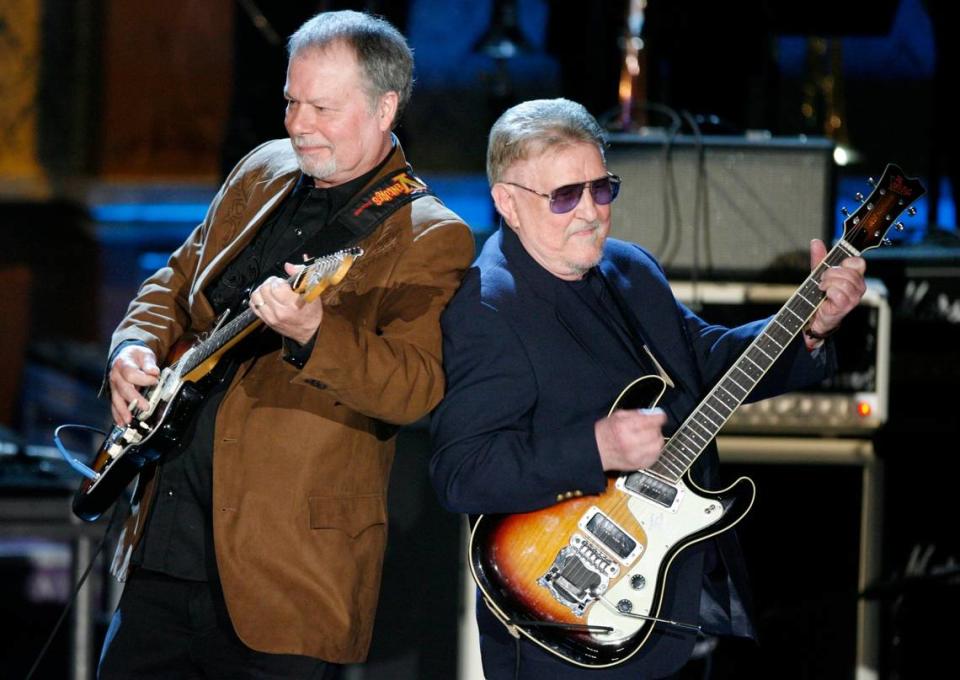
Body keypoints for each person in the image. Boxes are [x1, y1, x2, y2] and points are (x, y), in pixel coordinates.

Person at [429, 98, 866, 680]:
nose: (590, 212)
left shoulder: (628, 268)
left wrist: (810, 329)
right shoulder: (490, 307)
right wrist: (596, 449)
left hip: (670, 607)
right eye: (564, 196)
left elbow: (705, 359)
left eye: (601, 188)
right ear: (508, 202)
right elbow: (460, 472)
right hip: (560, 630)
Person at [97, 10, 474, 678]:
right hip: (163, 551)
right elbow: (175, 279)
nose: (298, 125)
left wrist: (316, 333)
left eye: (323, 108)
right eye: (292, 101)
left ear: (385, 107)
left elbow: (415, 388)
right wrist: (131, 347)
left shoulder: (427, 234)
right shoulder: (263, 168)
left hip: (285, 583)